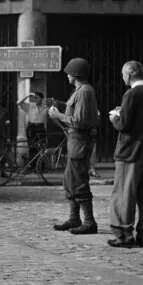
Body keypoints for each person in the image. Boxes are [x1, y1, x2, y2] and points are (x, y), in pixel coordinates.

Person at [106, 61, 143, 248]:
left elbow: (124, 125)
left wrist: (115, 117)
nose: (123, 77)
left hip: (130, 152)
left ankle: (124, 234)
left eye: (123, 74)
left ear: (130, 74)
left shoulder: (131, 94)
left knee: (124, 193)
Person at [49, 57, 100, 234]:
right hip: (75, 141)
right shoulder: (80, 91)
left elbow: (79, 121)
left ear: (75, 74)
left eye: (69, 73)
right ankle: (74, 218)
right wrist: (60, 107)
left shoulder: (84, 92)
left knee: (79, 181)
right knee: (69, 180)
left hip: (80, 141)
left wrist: (58, 116)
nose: (67, 77)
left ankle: (89, 222)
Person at [18, 90, 49, 164]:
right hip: (31, 127)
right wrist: (28, 96)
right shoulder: (30, 105)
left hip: (41, 127)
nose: (35, 99)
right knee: (32, 146)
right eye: (34, 98)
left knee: (42, 147)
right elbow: (18, 103)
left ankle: (41, 166)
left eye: (37, 98)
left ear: (42, 99)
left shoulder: (46, 107)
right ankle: (33, 165)